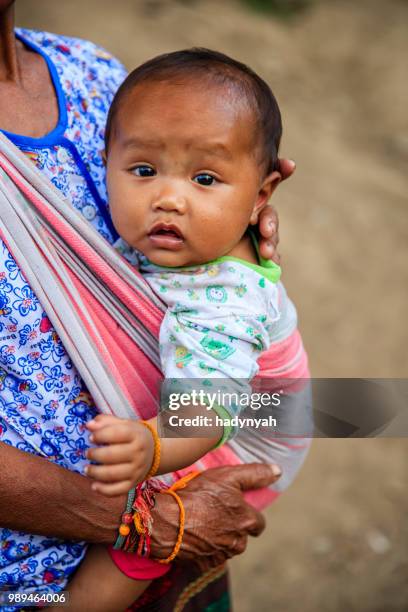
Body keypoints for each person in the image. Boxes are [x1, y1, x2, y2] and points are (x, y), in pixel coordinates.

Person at [0, 2, 301, 607]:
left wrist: (154, 456)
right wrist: (141, 509)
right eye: (144, 171)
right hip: (124, 497)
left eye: (202, 181)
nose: (168, 197)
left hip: (191, 457)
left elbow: (213, 409)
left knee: (116, 576)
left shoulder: (93, 72)